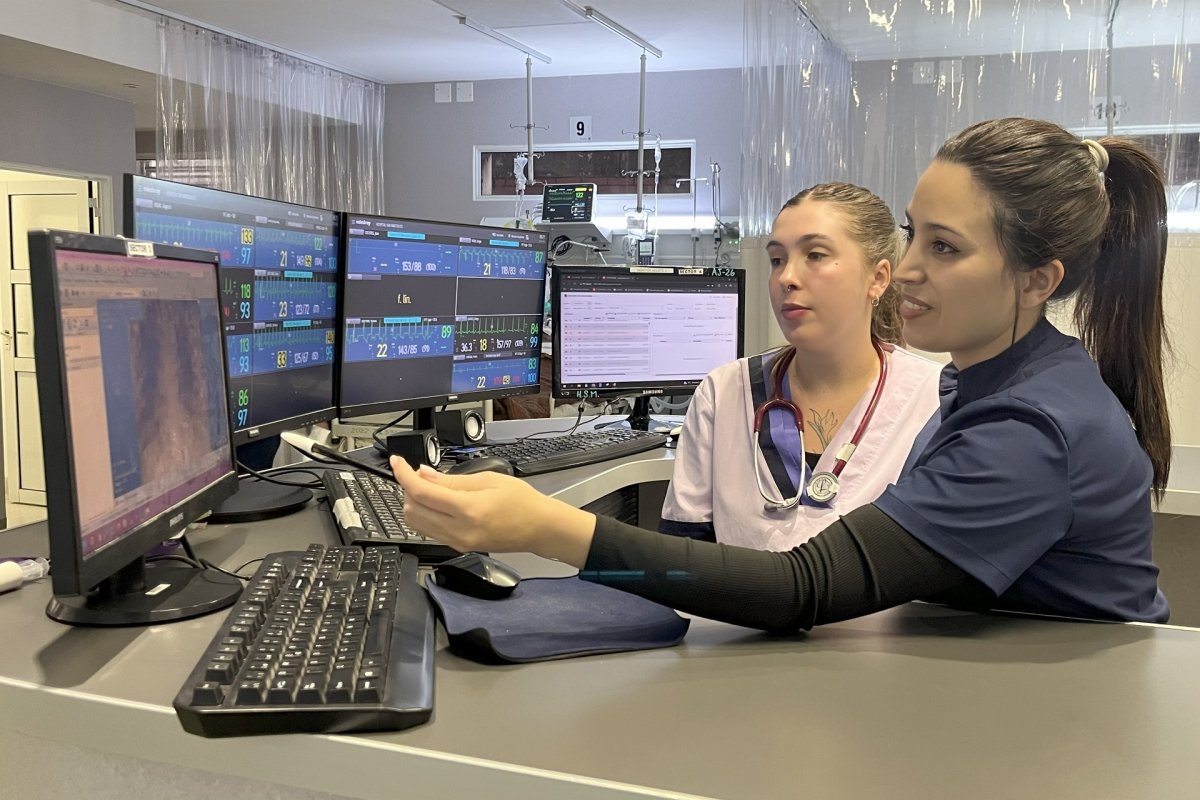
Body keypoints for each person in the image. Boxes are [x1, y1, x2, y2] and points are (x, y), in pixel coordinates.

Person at [391, 117, 1171, 630]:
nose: (908, 269)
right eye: (913, 235)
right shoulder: (985, 384)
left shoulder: (1028, 429)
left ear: (1037, 280)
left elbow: (804, 586)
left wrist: (543, 528)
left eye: (945, 247)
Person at [661, 182, 941, 550]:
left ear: (878, 278)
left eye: (815, 255)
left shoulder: (934, 400)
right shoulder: (724, 391)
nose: (786, 278)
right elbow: (684, 553)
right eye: (777, 260)